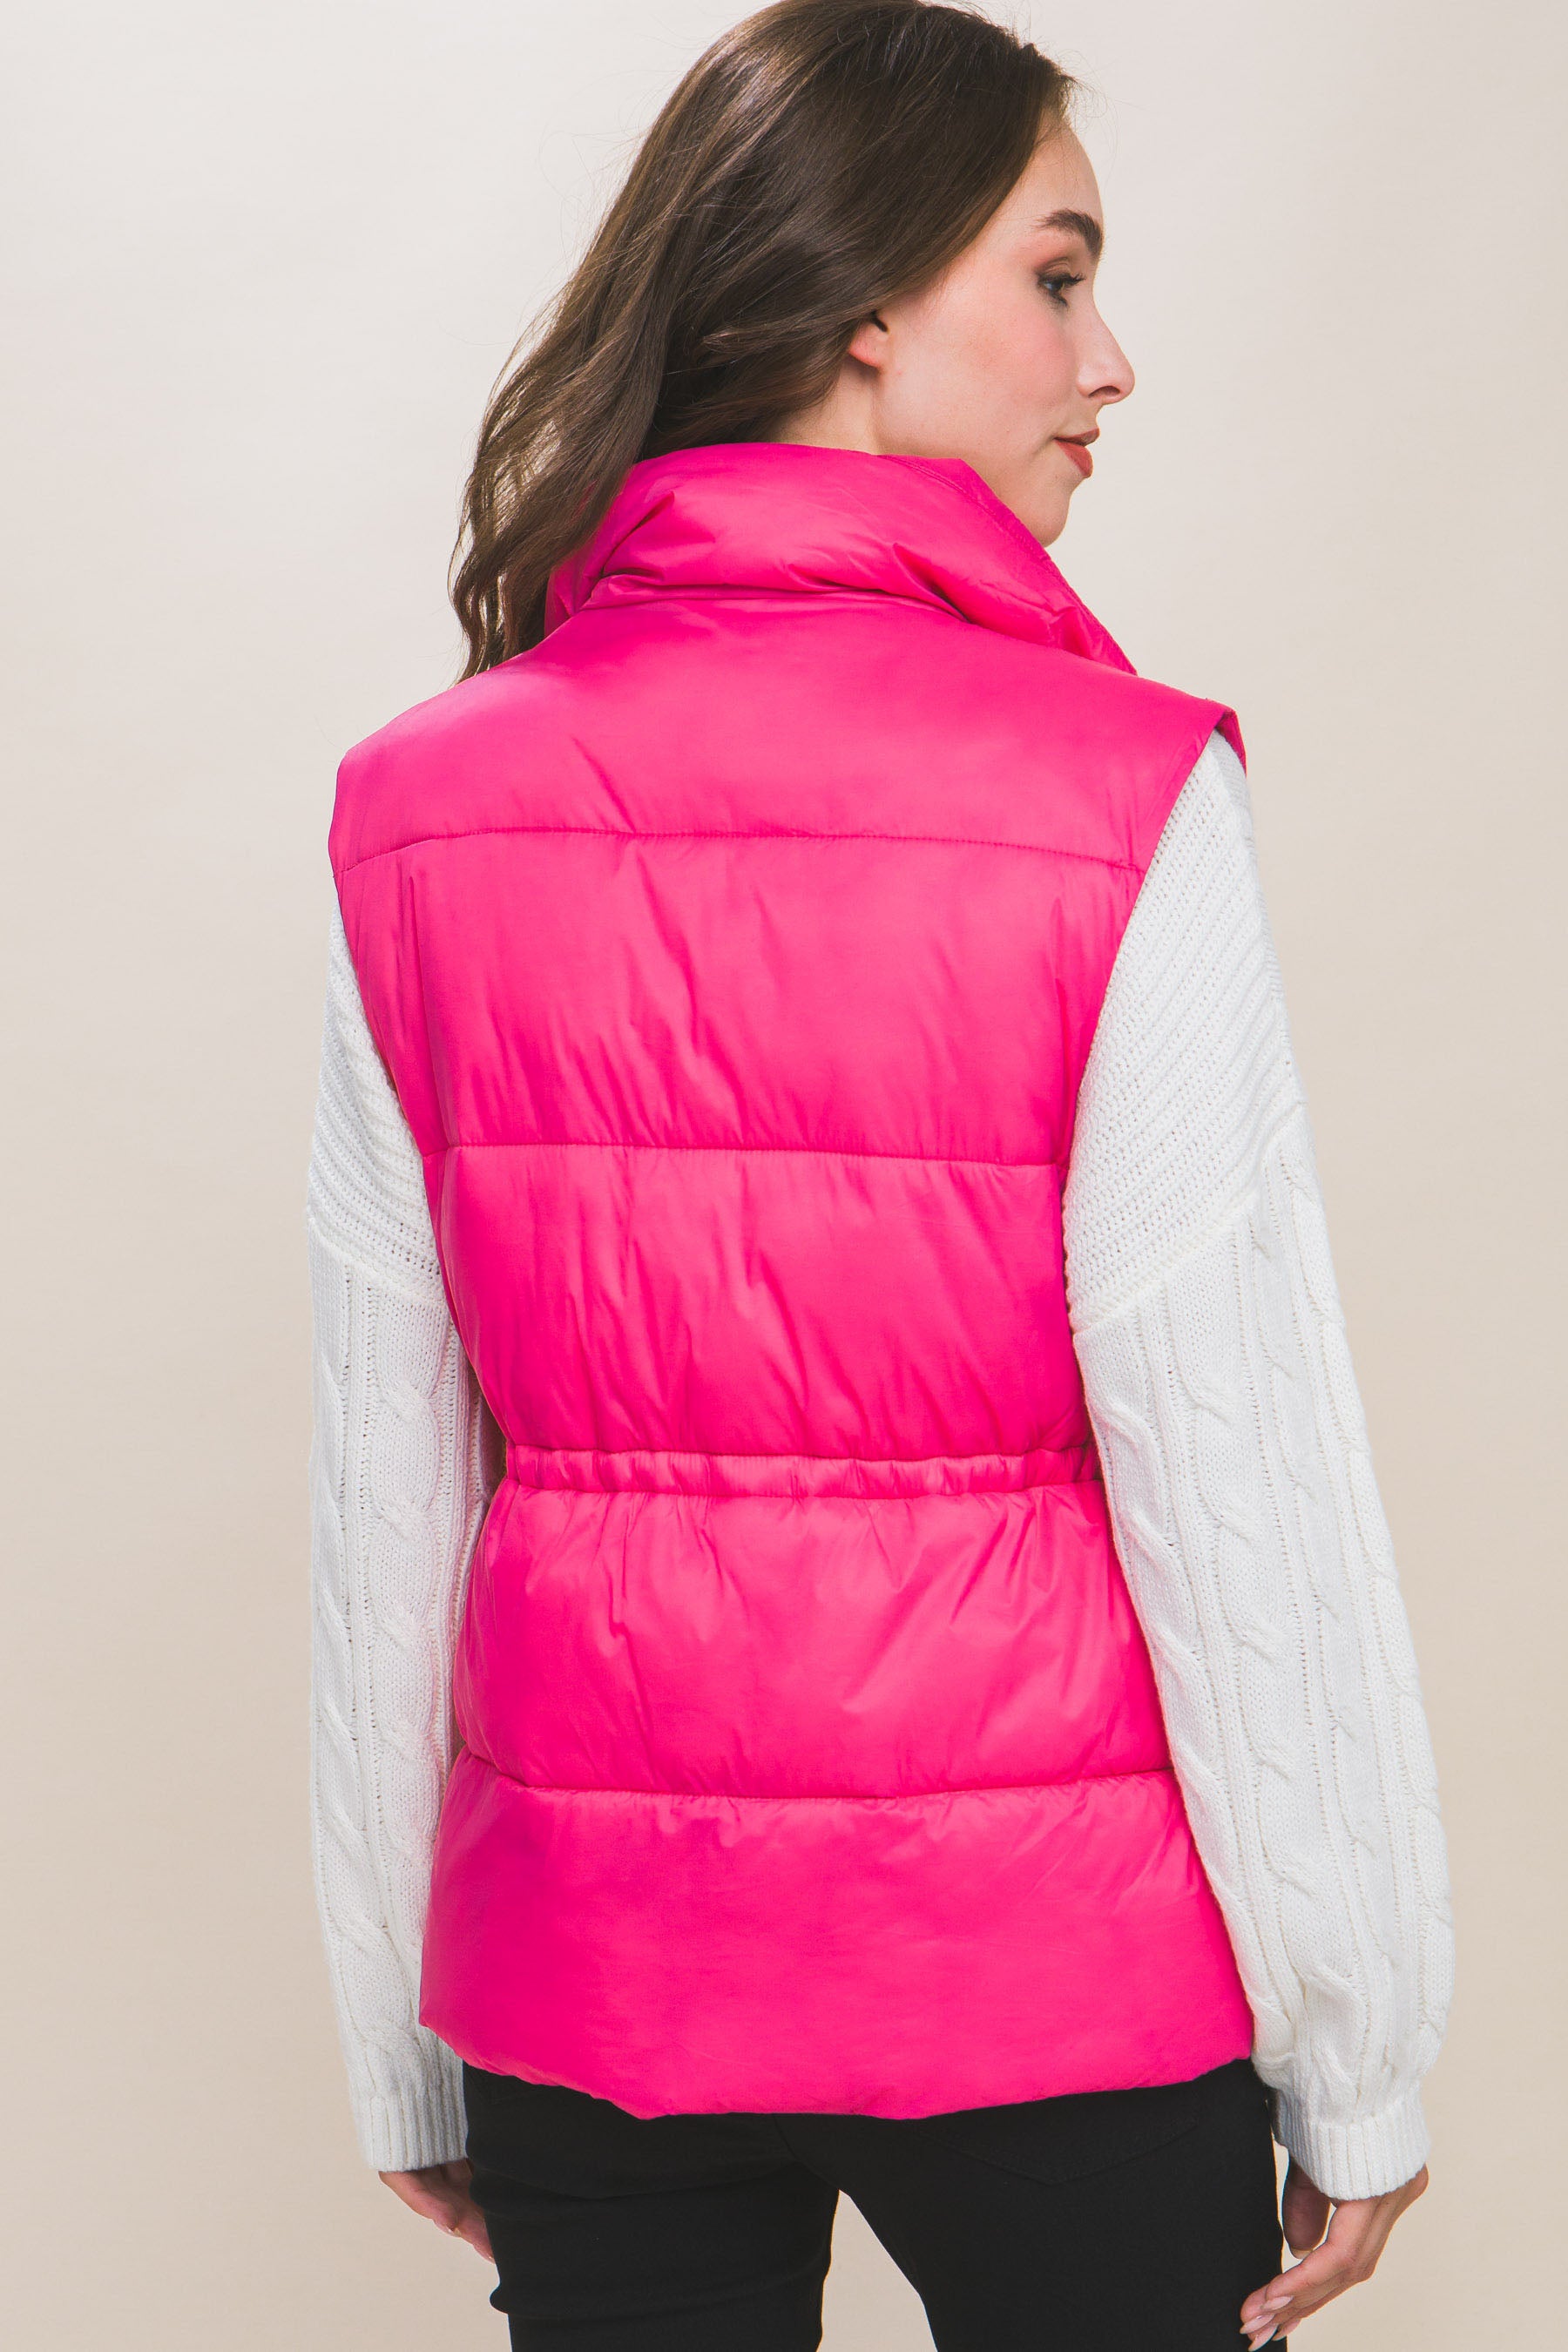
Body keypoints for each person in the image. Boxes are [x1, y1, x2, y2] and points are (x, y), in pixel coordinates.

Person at [306, 4, 1451, 2345]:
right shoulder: (1126, 794)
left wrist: (396, 2018)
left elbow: (384, 1484)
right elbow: (1240, 1461)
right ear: (861, 301)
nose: (1109, 360)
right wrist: (1362, 2045)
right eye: (1058, 274)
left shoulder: (414, 810)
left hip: (585, 1981)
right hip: (1057, 1978)